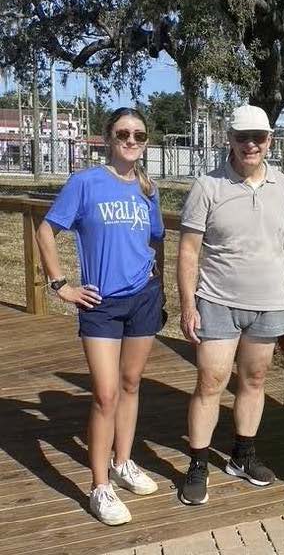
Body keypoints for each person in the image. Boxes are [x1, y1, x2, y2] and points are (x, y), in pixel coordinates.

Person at [36, 108, 165, 525]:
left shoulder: (148, 188)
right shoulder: (85, 183)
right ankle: (99, 487)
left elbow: (156, 239)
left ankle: (122, 462)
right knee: (105, 394)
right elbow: (45, 231)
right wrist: (61, 286)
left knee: (130, 385)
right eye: (123, 133)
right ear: (108, 137)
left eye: (139, 135)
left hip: (143, 299)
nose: (131, 140)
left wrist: (157, 279)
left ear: (146, 141)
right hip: (100, 304)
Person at [177, 104, 284, 506]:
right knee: (210, 383)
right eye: (242, 136)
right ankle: (197, 465)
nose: (251, 144)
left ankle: (242, 455)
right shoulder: (207, 186)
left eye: (258, 137)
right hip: (216, 300)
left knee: (254, 382)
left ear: (270, 140)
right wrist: (187, 305)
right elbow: (189, 252)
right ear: (228, 138)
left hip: (270, 301)